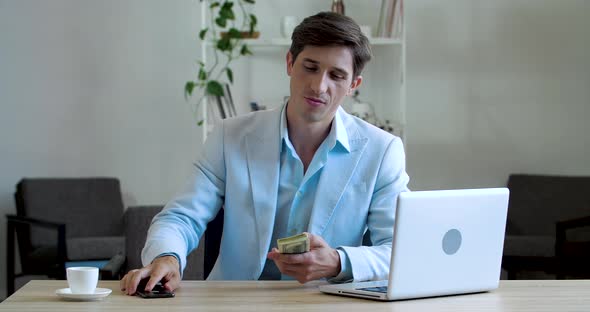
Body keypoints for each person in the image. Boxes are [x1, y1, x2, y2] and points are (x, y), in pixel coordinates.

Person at [120, 11, 409, 295]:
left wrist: (338, 262)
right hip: (235, 301)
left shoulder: (382, 150)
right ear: (290, 63)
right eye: (310, 67)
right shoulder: (229, 136)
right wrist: (167, 257)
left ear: (353, 85)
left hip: (325, 301)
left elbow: (399, 251)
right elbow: (182, 216)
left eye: (336, 75)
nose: (319, 85)